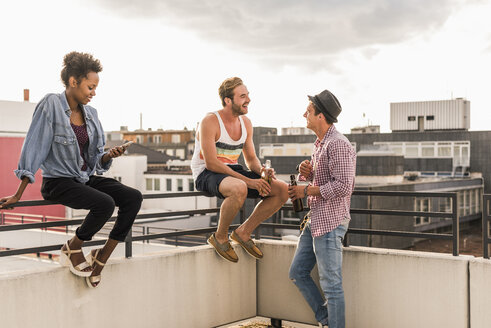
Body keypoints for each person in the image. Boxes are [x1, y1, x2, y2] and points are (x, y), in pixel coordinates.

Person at [0, 51, 143, 288]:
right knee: (105, 204)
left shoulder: (92, 114)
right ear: (74, 81)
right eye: (90, 86)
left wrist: (109, 155)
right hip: (58, 181)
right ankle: (73, 247)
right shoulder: (51, 104)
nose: (94, 92)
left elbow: (95, 158)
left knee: (133, 197)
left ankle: (101, 258)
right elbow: (34, 147)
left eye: (95, 87)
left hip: (83, 178)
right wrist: (18, 194)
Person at [191, 77, 288, 263]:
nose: (248, 100)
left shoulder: (246, 123)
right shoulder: (210, 121)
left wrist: (262, 173)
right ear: (228, 100)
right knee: (239, 188)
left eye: (248, 95)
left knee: (281, 189)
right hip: (206, 173)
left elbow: (250, 159)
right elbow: (211, 163)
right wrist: (249, 181)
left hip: (232, 171)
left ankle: (243, 232)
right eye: (242, 96)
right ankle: (219, 237)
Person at [288, 90, 356, 328]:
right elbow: (325, 179)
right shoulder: (320, 143)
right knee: (297, 272)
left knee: (332, 286)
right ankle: (327, 320)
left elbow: (344, 186)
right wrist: (308, 173)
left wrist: (305, 190)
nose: (304, 113)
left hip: (330, 223)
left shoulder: (338, 144)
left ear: (321, 116)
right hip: (315, 220)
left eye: (308, 110)